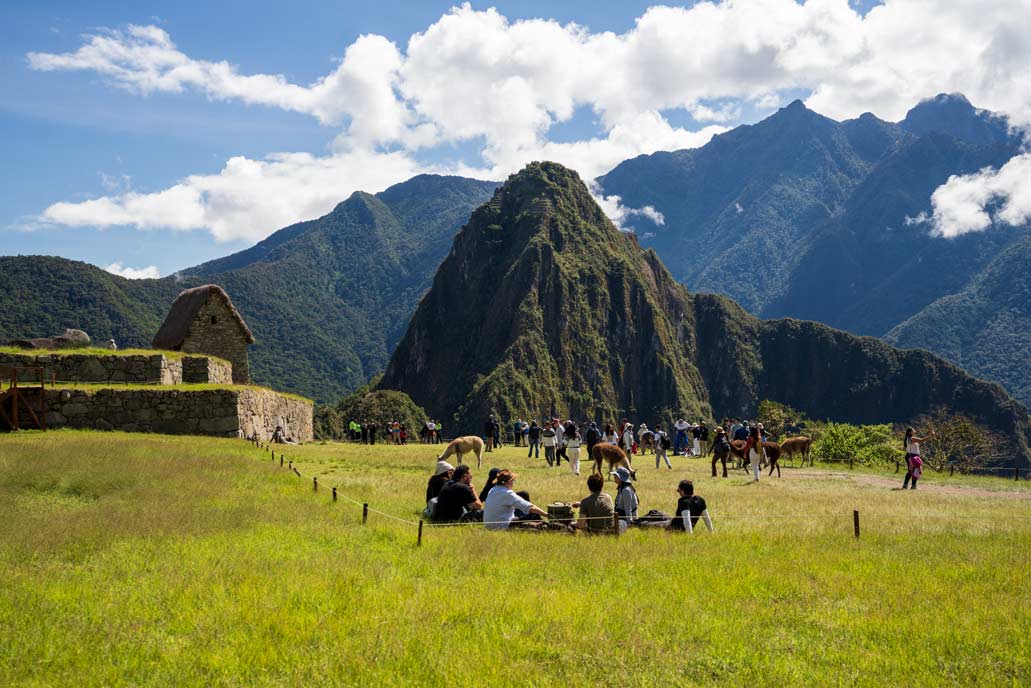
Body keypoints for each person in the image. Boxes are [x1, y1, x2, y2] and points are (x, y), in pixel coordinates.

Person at [483, 470, 547, 530]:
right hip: (502, 526)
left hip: (489, 525)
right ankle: (547, 526)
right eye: (513, 480)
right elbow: (530, 507)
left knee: (523, 494)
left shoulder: (493, 490)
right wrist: (547, 515)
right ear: (507, 482)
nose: (513, 482)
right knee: (533, 514)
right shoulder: (507, 493)